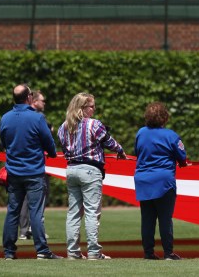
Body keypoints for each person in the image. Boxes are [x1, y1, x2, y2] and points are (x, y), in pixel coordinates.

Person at [57, 92, 127, 260]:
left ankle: (73, 252)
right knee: (92, 212)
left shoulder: (63, 127)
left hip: (71, 169)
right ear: (83, 108)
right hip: (90, 170)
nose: (94, 109)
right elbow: (109, 142)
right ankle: (94, 252)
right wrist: (120, 150)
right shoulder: (94, 125)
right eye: (92, 106)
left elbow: (65, 148)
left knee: (73, 212)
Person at [0, 84, 60, 260]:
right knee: (35, 211)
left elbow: (4, 143)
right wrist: (53, 153)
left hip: (13, 172)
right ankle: (42, 250)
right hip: (34, 171)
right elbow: (49, 143)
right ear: (29, 98)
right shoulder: (37, 118)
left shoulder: (5, 118)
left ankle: (9, 252)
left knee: (13, 211)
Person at [134, 102, 187, 261]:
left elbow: (137, 152)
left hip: (143, 180)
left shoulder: (141, 133)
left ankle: (148, 253)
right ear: (164, 117)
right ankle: (168, 253)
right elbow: (182, 158)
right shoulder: (171, 135)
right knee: (165, 219)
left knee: (147, 220)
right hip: (163, 181)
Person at [19, 90, 51, 241]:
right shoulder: (38, 117)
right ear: (34, 101)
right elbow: (47, 140)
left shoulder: (13, 116)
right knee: (39, 200)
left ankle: (24, 231)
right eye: (42, 101)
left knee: (22, 201)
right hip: (36, 165)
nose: (44, 103)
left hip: (18, 165)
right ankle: (37, 231)